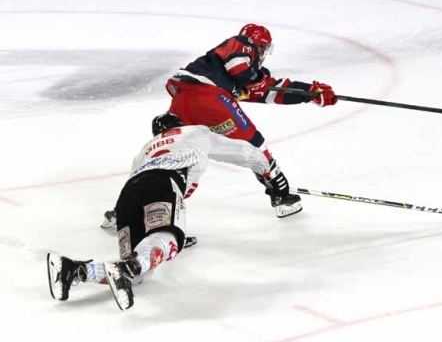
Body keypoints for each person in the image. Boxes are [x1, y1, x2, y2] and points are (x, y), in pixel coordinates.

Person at [47, 113, 274, 311]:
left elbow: (138, 190)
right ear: (178, 124)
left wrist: (115, 216)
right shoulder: (194, 131)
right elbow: (244, 151)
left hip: (127, 195)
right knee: (168, 239)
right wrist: (270, 174)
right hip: (163, 182)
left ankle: (75, 270)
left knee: (138, 274)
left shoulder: (144, 151)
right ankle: (132, 262)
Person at [166, 23, 338, 217]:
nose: (264, 54)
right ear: (257, 45)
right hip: (209, 98)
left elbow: (273, 92)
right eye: (263, 48)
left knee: (185, 162)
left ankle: (164, 216)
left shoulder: (232, 72)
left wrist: (311, 93)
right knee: (255, 145)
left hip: (182, 102)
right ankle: (280, 195)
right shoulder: (242, 44)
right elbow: (241, 70)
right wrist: (257, 82)